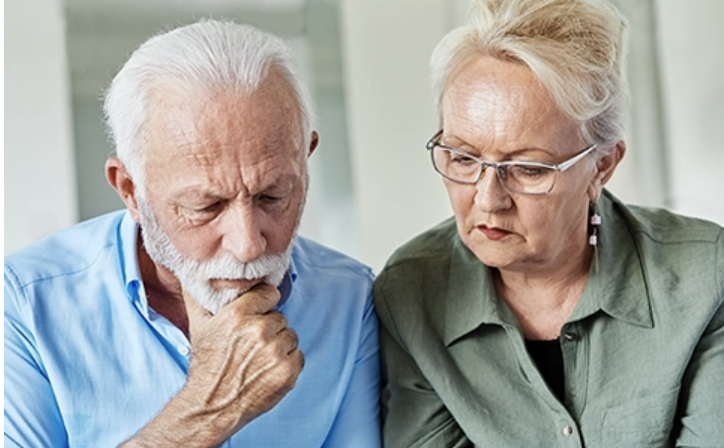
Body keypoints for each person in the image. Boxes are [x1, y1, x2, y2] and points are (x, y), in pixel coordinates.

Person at [4, 19, 381, 447]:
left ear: (306, 158)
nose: (248, 245)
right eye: (205, 207)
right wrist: (210, 408)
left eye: (273, 196)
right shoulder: (24, 302)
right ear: (130, 190)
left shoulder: (351, 298)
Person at [373, 0, 723, 446]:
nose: (488, 200)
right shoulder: (411, 293)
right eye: (463, 158)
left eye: (529, 169)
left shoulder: (705, 276)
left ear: (602, 166)